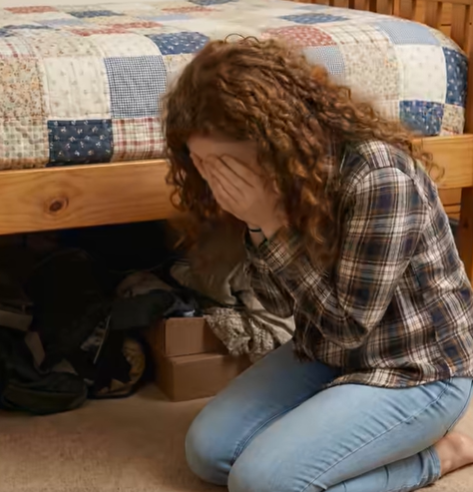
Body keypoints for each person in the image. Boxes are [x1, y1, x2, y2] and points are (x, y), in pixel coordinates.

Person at [163, 37, 473, 492]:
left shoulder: (379, 179)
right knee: (208, 454)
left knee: (262, 483)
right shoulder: (276, 181)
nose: (217, 180)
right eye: (202, 164)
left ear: (274, 140)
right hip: (326, 353)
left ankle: (441, 455)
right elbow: (275, 304)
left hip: (416, 371)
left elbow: (349, 326)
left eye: (225, 164)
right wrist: (257, 225)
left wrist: (272, 226)